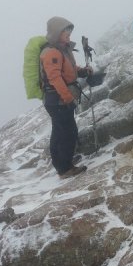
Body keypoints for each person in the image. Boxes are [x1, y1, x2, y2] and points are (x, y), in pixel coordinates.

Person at [40, 16, 90, 178]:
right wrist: (68, 98)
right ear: (56, 33)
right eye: (64, 31)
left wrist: (81, 71)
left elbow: (68, 69)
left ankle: (61, 164)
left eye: (69, 30)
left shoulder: (61, 49)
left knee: (59, 131)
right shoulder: (52, 52)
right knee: (68, 132)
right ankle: (65, 168)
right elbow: (54, 78)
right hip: (58, 99)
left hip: (55, 100)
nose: (68, 33)